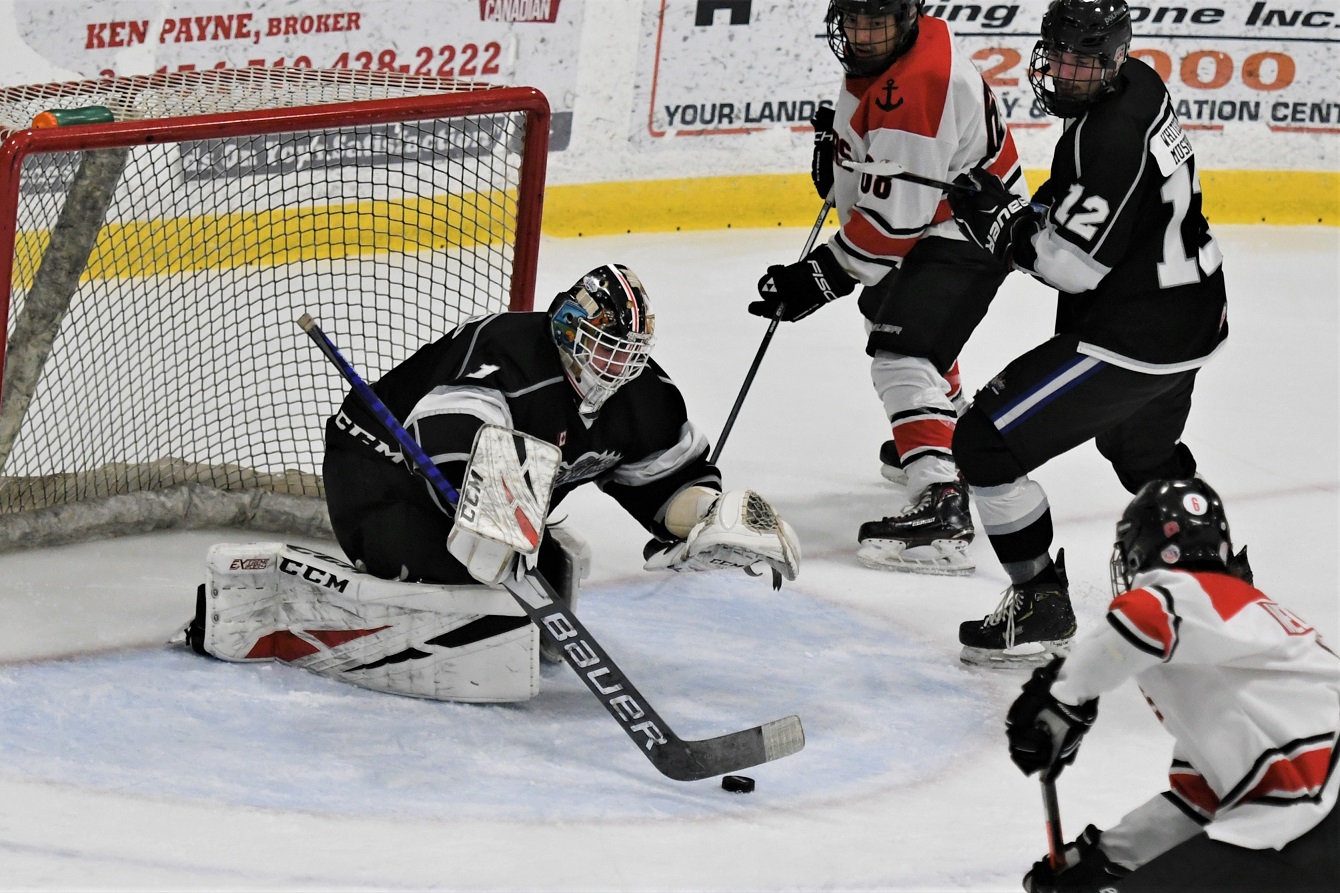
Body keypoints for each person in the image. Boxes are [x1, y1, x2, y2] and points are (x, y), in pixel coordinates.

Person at [185, 264, 800, 702]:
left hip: (493, 487)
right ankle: (282, 606)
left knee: (545, 572)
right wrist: (493, 519)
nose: (617, 366)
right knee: (471, 578)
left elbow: (665, 480)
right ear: (566, 327)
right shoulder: (506, 351)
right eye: (605, 347)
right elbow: (448, 439)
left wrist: (708, 521)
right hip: (379, 471)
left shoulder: (641, 392)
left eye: (629, 351)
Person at [947, 0, 1229, 665]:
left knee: (983, 442)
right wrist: (1032, 209)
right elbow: (1109, 198)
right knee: (1141, 454)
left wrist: (1005, 230)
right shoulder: (1144, 84)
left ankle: (1040, 601)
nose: (1068, 74)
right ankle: (1213, 584)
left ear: (1115, 59)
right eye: (1061, 56)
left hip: (1131, 337)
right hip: (1193, 318)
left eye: (1085, 62)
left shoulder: (1105, 135)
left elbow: (1073, 268)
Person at [748, 0, 1027, 576]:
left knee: (904, 354)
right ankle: (953, 442)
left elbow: (891, 227)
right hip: (940, 219)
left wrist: (818, 277)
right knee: (891, 319)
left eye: (880, 22)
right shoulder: (899, 55)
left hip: (967, 226)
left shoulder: (919, 83)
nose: (867, 35)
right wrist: (849, 163)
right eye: (856, 21)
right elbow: (889, 180)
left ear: (907, 18)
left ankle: (942, 499)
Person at [1004, 479, 1339, 892]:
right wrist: (1104, 857)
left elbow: (1144, 615)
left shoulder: (1190, 595)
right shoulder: (1230, 647)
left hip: (1313, 810)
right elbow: (1198, 801)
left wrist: (1063, 695)